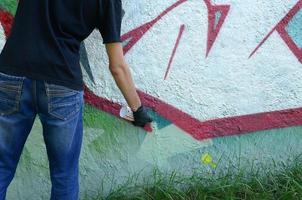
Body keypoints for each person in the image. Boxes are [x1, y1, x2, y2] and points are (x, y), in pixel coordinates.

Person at [0, 0, 153, 199]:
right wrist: (137, 109)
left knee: (1, 165)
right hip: (62, 85)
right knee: (64, 175)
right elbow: (117, 66)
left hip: (11, 76)